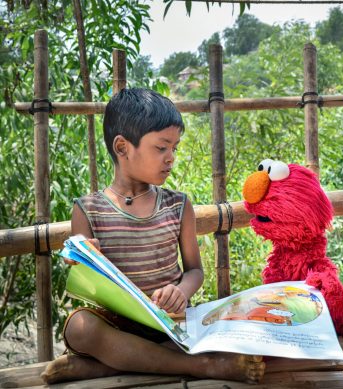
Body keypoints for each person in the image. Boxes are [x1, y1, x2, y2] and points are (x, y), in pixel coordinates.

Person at [41, 88, 263, 384]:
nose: (170, 158)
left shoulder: (179, 205)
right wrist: (86, 260)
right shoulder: (88, 209)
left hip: (168, 322)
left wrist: (181, 292)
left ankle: (108, 366)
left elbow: (195, 270)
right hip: (118, 326)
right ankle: (206, 367)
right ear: (122, 147)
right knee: (80, 327)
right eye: (161, 148)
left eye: (175, 148)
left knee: (216, 325)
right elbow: (89, 287)